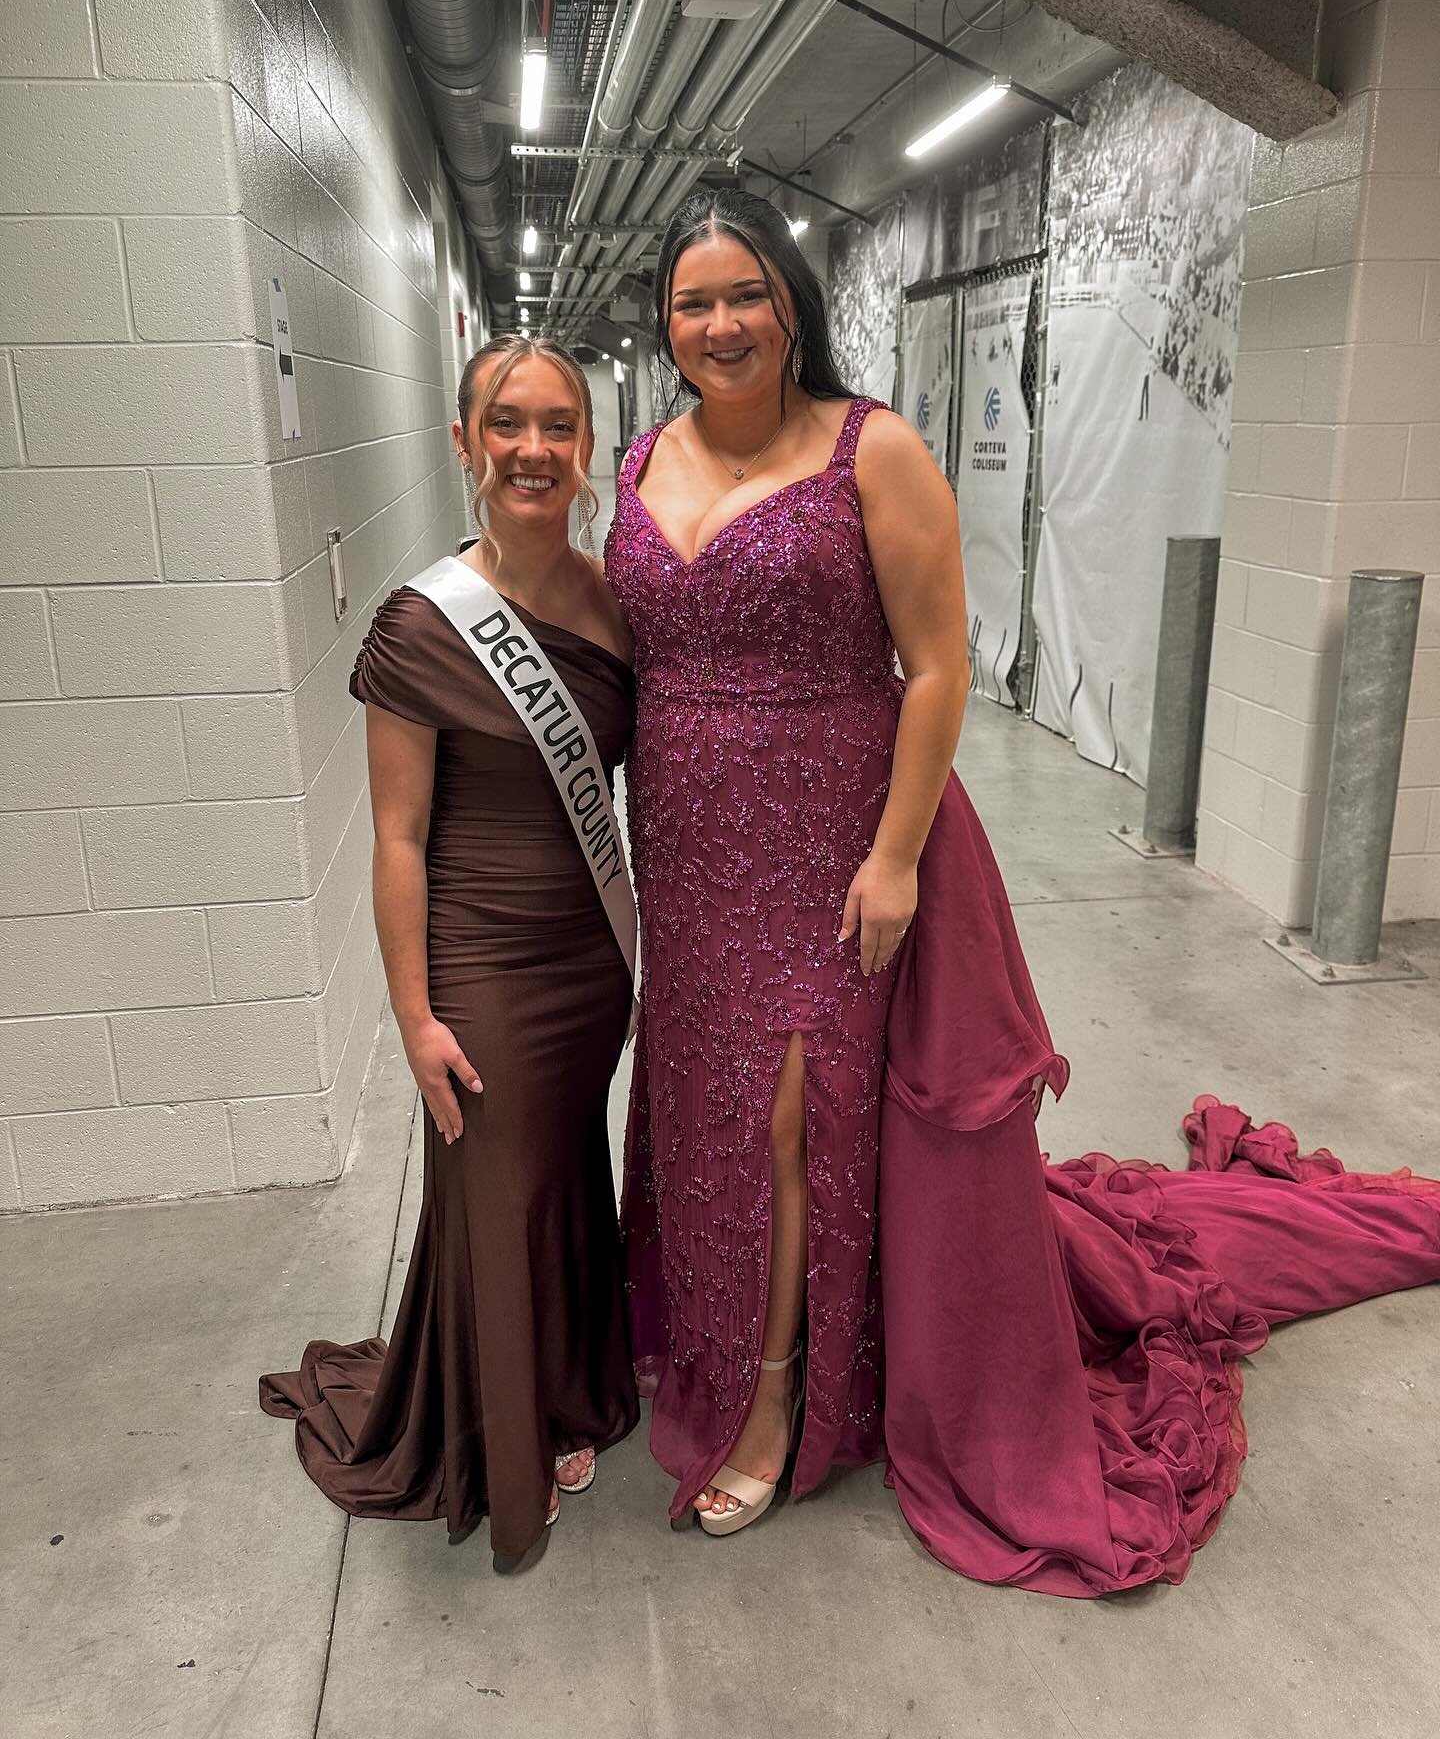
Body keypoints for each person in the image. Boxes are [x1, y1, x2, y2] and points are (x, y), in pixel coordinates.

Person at [604, 187, 1440, 1589]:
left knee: (794, 1120)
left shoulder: (873, 450)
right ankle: (700, 1341)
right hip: (684, 848)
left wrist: (892, 856)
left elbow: (938, 664)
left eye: (746, 292)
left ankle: (775, 1407)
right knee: (699, 1106)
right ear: (668, 322)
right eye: (694, 301)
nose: (722, 321)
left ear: (791, 300)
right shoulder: (638, 458)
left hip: (831, 837)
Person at [261, 334, 638, 1569]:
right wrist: (416, 1015)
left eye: (559, 427)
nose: (535, 450)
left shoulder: (613, 604)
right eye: (508, 425)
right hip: (479, 960)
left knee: (562, 1174)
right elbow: (400, 841)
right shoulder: (423, 623)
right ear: (468, 442)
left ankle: (567, 1383)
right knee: (499, 1186)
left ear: (588, 450)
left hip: (588, 957)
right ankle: (501, 1422)